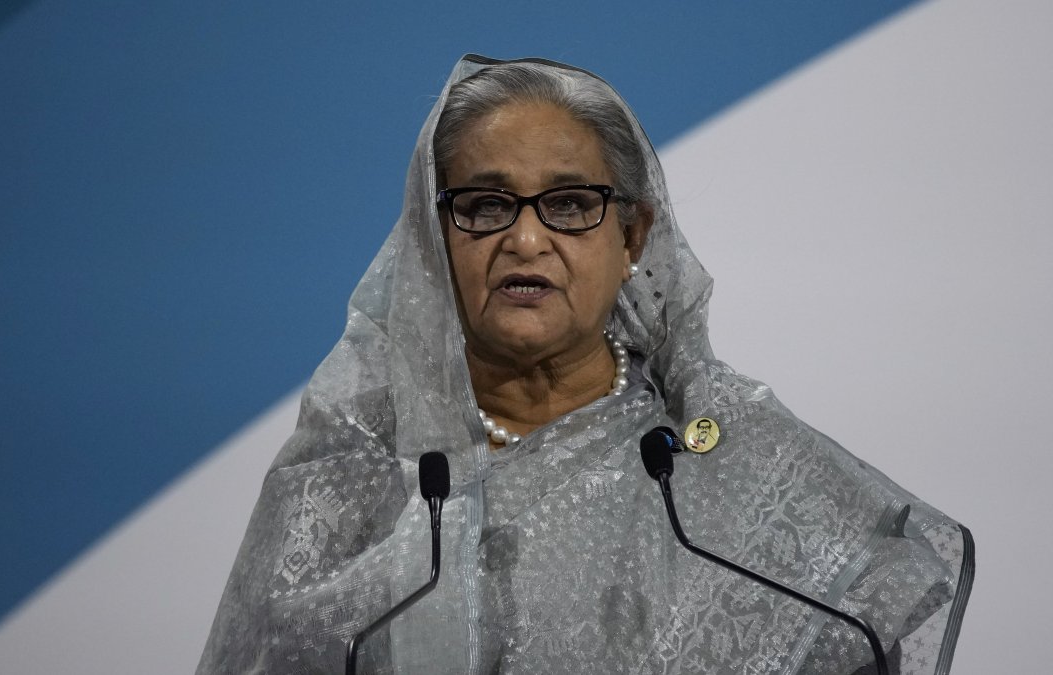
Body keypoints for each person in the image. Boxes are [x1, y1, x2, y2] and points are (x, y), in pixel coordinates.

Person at [196, 55, 973, 674]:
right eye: (485, 204)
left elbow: (862, 614)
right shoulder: (352, 466)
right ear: (435, 238)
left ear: (633, 236)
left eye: (569, 204)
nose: (526, 240)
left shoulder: (730, 462)